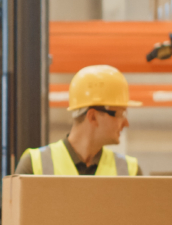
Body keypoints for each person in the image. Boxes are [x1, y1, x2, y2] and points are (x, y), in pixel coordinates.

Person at [14, 64, 146, 176]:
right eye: (120, 114)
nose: (126, 123)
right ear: (93, 117)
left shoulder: (130, 172)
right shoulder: (34, 166)